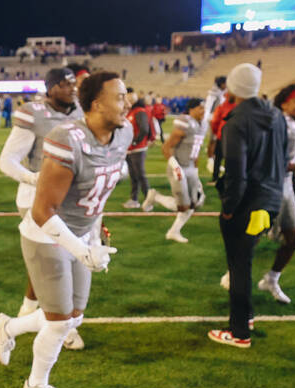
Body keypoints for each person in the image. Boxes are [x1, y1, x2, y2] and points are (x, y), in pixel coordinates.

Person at [0, 70, 129, 388]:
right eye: (119, 97)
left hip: (80, 232)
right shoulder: (66, 137)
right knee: (58, 322)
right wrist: (82, 250)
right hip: (45, 234)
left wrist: (94, 238)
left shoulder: (124, 133)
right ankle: (35, 384)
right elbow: (42, 211)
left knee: (74, 317)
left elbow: (98, 197)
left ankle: (9, 327)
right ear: (97, 104)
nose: (127, 102)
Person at [0, 67, 85, 352]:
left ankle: (28, 309)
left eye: (74, 84)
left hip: (69, 200)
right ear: (51, 87)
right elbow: (7, 160)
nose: (73, 88)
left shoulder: (80, 112)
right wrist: (34, 178)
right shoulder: (33, 113)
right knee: (56, 261)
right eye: (66, 84)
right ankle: (61, 324)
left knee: (54, 260)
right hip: (36, 198)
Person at [207, 63, 285, 349]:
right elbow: (282, 156)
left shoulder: (236, 122)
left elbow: (237, 173)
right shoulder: (276, 114)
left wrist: (229, 207)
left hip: (248, 202)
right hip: (271, 199)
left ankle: (239, 331)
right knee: (245, 261)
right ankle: (247, 315)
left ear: (232, 88)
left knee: (239, 264)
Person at [257, 83, 295, 305]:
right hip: (269, 184)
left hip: (286, 183)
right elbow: (271, 160)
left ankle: (271, 279)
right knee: (254, 233)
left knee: (293, 237)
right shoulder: (278, 123)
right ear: (284, 104)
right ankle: (233, 272)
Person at [141, 98, 206, 243]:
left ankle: (156, 200)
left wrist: (195, 171)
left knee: (195, 203)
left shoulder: (202, 125)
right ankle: (157, 200)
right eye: (200, 108)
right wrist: (175, 167)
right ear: (192, 109)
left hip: (190, 167)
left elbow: (196, 151)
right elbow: (166, 147)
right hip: (178, 167)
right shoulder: (185, 122)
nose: (203, 111)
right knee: (183, 206)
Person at [122, 89, 152, 208]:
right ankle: (134, 199)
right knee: (134, 176)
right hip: (130, 149)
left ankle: (148, 200)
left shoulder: (139, 111)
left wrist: (135, 141)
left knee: (141, 175)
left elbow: (144, 128)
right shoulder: (131, 111)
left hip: (138, 149)